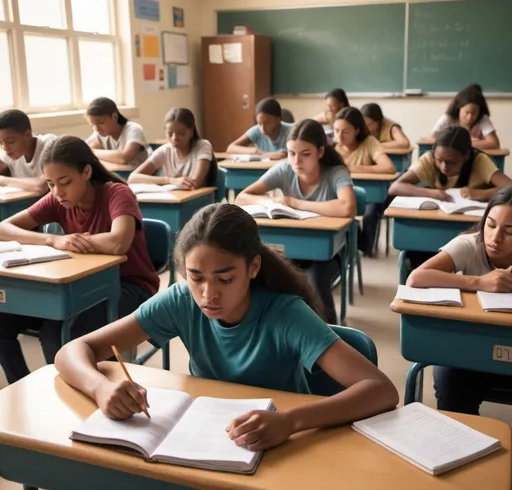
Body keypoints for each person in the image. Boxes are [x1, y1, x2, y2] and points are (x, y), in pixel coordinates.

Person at [55, 203, 398, 451]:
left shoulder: (285, 313)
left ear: (253, 268)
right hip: (205, 436)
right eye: (196, 277)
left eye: (225, 278)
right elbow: (73, 351)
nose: (208, 294)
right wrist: (100, 387)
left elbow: (381, 390)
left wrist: (291, 421)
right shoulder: (180, 301)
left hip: (277, 443)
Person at [0, 136, 159, 385]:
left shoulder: (117, 193)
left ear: (86, 172)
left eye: (64, 182)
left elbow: (118, 242)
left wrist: (73, 241)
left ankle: (78, 393)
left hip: (129, 287)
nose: (57, 192)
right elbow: (4, 228)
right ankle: (21, 385)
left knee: (58, 332)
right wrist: (52, 241)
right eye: (50, 184)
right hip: (78, 284)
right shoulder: (58, 199)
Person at [235, 119, 356, 324]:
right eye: (291, 153)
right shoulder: (284, 169)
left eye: (305, 154)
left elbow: (347, 207)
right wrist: (272, 201)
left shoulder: (335, 173)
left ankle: (330, 332)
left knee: (315, 279)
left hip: (327, 253)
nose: (296, 161)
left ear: (320, 152)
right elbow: (243, 197)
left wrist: (296, 203)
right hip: (292, 247)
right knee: (259, 272)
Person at [407, 186, 512, 415]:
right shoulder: (471, 244)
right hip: (475, 348)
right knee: (447, 374)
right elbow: (416, 278)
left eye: (509, 231)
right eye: (491, 225)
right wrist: (479, 282)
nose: (495, 238)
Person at [389, 125, 512, 271]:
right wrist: (433, 193)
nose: (444, 166)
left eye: (452, 162)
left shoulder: (479, 161)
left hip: (471, 229)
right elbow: (395, 187)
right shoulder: (429, 159)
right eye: (439, 160)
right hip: (433, 225)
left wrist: (481, 194)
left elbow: (509, 187)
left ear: (466, 156)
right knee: (415, 257)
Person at [333, 107, 395, 256]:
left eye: (345, 131)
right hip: (342, 196)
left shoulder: (369, 142)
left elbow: (389, 167)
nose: (340, 136)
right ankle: (344, 245)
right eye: (336, 131)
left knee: (370, 212)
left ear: (357, 131)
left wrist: (352, 169)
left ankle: (365, 247)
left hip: (370, 197)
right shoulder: (333, 149)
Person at [128, 108, 216, 189]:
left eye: (181, 133)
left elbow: (194, 183)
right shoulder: (165, 150)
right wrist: (169, 180)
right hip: (172, 199)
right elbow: (133, 178)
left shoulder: (202, 146)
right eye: (170, 134)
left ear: (191, 131)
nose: (174, 138)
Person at [0, 109, 55, 194]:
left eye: (10, 141)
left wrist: (3, 181)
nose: (4, 147)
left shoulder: (51, 147)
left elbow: (42, 185)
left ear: (28, 135)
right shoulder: (7, 156)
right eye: (0, 143)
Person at [431, 84, 500, 151]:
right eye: (466, 112)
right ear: (459, 108)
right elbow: (432, 140)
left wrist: (455, 143)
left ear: (479, 111)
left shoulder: (483, 119)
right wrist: (475, 143)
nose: (470, 117)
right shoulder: (447, 119)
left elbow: (494, 144)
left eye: (474, 113)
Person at [86, 97, 148, 166]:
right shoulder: (99, 134)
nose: (96, 129)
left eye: (101, 123)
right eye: (92, 125)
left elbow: (125, 157)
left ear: (114, 117)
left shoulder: (133, 129)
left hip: (139, 175)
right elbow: (82, 149)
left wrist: (93, 151)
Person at [227, 98, 293, 160]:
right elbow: (230, 148)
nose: (263, 128)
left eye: (268, 122)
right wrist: (257, 152)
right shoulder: (256, 130)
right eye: (259, 123)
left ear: (279, 119)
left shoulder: (293, 130)